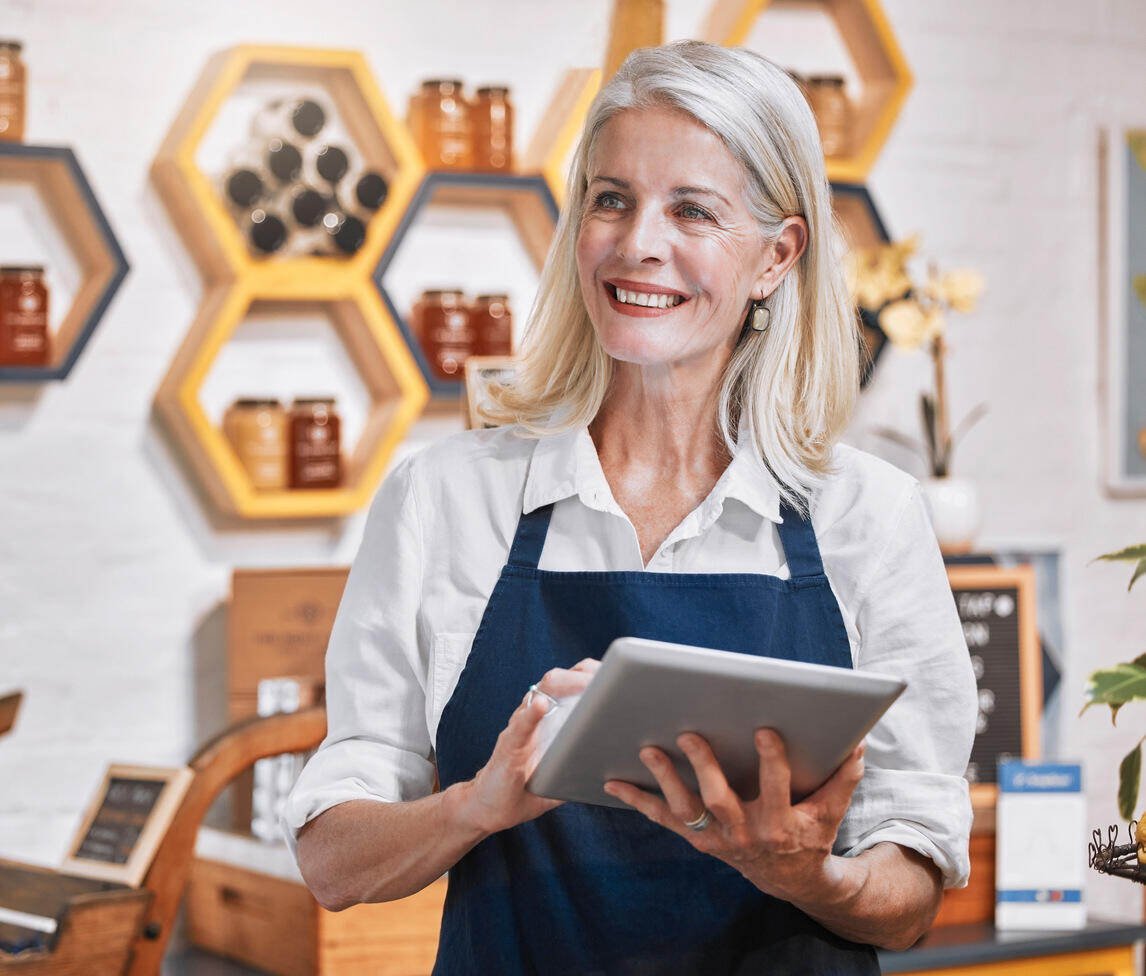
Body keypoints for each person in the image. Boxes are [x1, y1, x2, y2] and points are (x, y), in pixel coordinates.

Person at [284, 40, 977, 975]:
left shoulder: (869, 517)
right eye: (611, 198)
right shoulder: (443, 499)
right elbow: (331, 862)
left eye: (692, 209)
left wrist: (810, 876)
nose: (637, 241)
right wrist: (474, 804)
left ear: (777, 256)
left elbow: (911, 896)